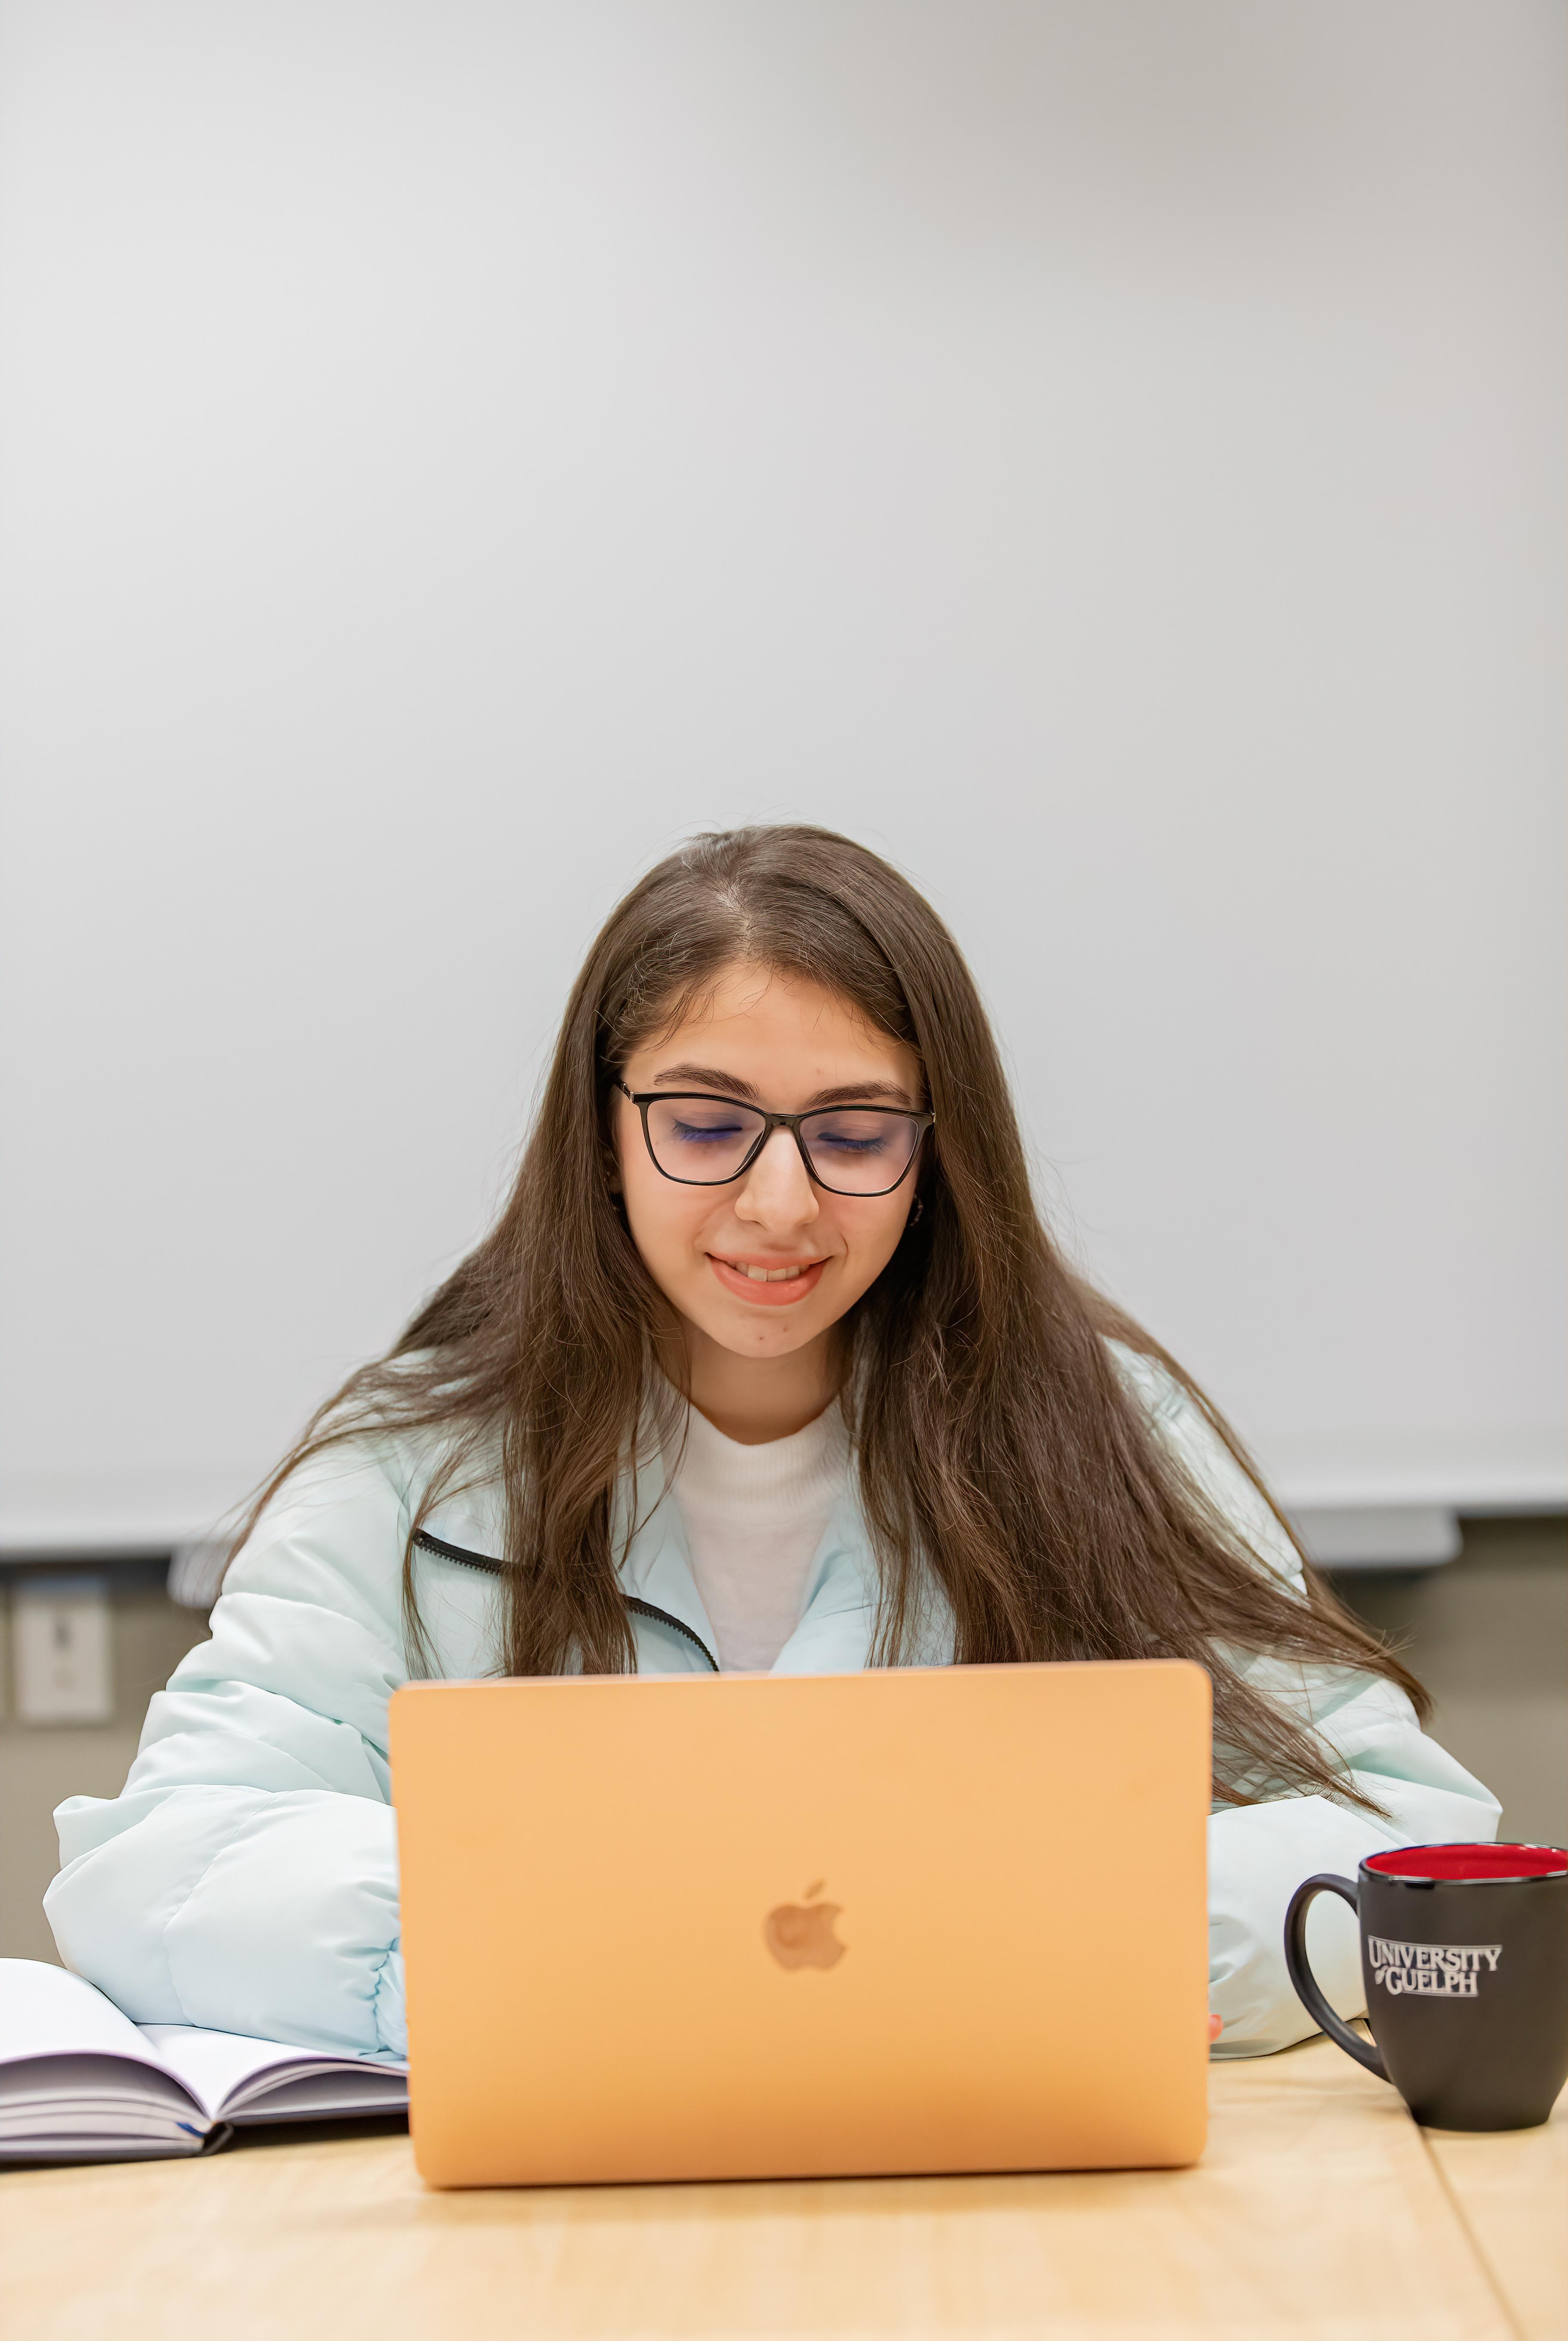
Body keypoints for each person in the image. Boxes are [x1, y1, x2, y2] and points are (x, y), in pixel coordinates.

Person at [46, 826, 1496, 2062]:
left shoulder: (1098, 1429)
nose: (781, 1205)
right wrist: (564, 1950)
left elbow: (1409, 1845)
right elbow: (160, 1869)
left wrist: (1028, 1940)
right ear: (604, 1132)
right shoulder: (415, 1460)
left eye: (854, 1135)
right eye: (707, 1126)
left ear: (936, 1156)